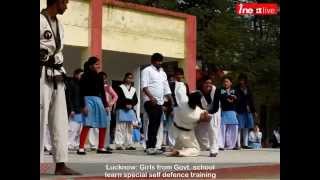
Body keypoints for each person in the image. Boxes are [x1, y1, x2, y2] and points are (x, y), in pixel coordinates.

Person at [40, 0, 80, 175]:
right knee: (40, 117)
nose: (67, 6)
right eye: (65, 2)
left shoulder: (60, 25)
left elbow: (58, 50)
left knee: (60, 119)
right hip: (40, 72)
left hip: (56, 74)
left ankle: (61, 164)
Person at [166, 83, 211, 157]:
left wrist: (181, 83)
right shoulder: (196, 114)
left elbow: (180, 91)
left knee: (179, 144)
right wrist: (205, 109)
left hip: (175, 129)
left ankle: (176, 149)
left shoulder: (183, 102)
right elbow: (206, 117)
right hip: (186, 134)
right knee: (196, 150)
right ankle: (179, 152)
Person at [77, 57, 110, 155]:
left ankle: (101, 147)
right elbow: (81, 92)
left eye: (99, 64)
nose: (99, 66)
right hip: (87, 100)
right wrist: (83, 106)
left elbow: (102, 92)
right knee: (87, 124)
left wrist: (106, 105)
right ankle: (81, 148)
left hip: (98, 100)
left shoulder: (100, 76)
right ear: (91, 65)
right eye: (96, 64)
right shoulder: (84, 76)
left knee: (103, 124)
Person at [141, 53, 173, 155]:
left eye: (160, 61)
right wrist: (151, 97)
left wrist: (171, 101)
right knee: (153, 123)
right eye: (157, 61)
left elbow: (166, 87)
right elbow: (144, 86)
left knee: (157, 124)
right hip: (149, 101)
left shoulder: (163, 73)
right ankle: (150, 147)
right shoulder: (147, 71)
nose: (159, 63)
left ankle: (153, 146)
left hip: (160, 101)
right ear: (152, 61)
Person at [88, 72, 118, 152]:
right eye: (102, 78)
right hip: (95, 109)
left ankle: (105, 144)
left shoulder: (108, 87)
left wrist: (110, 104)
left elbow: (115, 96)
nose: (103, 80)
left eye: (105, 78)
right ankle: (93, 145)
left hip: (106, 110)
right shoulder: (94, 87)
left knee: (106, 127)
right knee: (94, 127)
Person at [210, 76, 239, 150]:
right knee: (222, 128)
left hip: (233, 112)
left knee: (233, 128)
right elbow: (216, 100)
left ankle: (231, 145)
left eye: (227, 81)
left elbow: (238, 100)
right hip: (223, 111)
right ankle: (221, 145)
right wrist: (227, 97)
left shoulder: (235, 90)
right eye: (224, 82)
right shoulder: (219, 90)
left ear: (231, 83)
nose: (225, 83)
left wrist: (234, 98)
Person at [195, 76, 221, 157]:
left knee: (213, 130)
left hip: (214, 112)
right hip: (202, 112)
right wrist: (203, 114)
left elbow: (216, 107)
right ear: (202, 84)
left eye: (210, 83)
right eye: (206, 83)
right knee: (199, 129)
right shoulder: (198, 92)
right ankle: (205, 146)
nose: (208, 85)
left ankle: (214, 150)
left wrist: (208, 113)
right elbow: (198, 106)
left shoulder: (216, 91)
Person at [114, 73, 138, 150]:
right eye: (128, 78)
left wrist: (131, 105)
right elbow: (119, 98)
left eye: (131, 78)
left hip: (130, 110)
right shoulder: (120, 87)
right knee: (120, 127)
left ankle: (129, 144)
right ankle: (119, 144)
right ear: (125, 78)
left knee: (129, 127)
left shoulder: (133, 89)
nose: (129, 79)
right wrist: (125, 105)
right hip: (121, 108)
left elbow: (135, 100)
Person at [235, 73, 258, 149]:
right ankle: (238, 144)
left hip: (248, 110)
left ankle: (245, 144)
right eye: (240, 80)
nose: (242, 81)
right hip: (239, 109)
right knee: (239, 127)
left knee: (247, 127)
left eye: (243, 80)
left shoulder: (248, 88)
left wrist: (254, 110)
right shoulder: (236, 88)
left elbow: (251, 100)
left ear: (245, 81)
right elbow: (236, 100)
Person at [66, 68, 84, 150]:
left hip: (81, 110)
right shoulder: (71, 83)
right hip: (74, 110)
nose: (82, 77)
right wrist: (71, 109)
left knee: (79, 129)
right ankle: (68, 143)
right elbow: (69, 97)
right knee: (72, 128)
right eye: (81, 75)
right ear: (76, 74)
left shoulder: (81, 85)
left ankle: (75, 143)